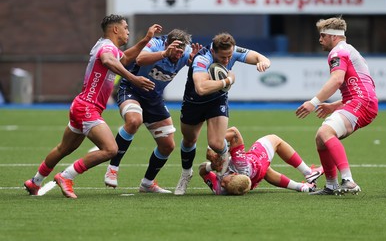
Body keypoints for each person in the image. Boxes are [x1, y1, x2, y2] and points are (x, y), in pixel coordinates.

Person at [23, 14, 161, 198]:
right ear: (115, 29)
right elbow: (108, 61)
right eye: (126, 28)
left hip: (82, 105)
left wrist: (146, 39)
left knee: (63, 148)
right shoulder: (106, 47)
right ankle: (66, 176)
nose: (128, 31)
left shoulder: (107, 46)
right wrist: (134, 79)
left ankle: (35, 182)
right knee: (111, 149)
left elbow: (125, 58)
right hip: (87, 107)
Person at [101, 29, 202, 193]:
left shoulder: (187, 51)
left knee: (167, 145)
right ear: (167, 44)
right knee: (134, 121)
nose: (178, 55)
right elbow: (140, 59)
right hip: (132, 89)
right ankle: (113, 167)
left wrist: (194, 61)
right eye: (175, 51)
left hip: (153, 98)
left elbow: (200, 61)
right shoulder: (156, 44)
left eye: (181, 52)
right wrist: (164, 53)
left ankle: (147, 183)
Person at [174, 32, 271, 195]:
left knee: (216, 143)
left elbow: (262, 58)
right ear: (213, 52)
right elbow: (201, 88)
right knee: (189, 140)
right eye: (223, 57)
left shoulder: (232, 51)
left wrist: (262, 62)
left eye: (230, 56)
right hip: (194, 103)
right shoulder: (202, 59)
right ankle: (186, 174)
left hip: (217, 101)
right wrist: (228, 80)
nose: (227, 61)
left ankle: (223, 161)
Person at [295, 16, 378, 195]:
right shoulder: (348, 50)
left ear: (333, 36)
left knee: (326, 132)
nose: (320, 39)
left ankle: (348, 180)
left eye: (323, 35)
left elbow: (337, 80)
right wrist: (334, 106)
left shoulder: (338, 52)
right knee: (320, 138)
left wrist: (313, 102)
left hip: (361, 103)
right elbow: (362, 87)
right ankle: (331, 186)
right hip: (362, 101)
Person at [199, 126, 324, 195]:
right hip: (256, 162)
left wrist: (211, 167)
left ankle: (303, 185)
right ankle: (307, 173)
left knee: (266, 172)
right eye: (225, 184)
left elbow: (201, 170)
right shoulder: (241, 166)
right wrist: (211, 147)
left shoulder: (220, 190)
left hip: (253, 178)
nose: (221, 183)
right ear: (234, 174)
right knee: (275, 140)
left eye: (223, 184)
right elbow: (235, 133)